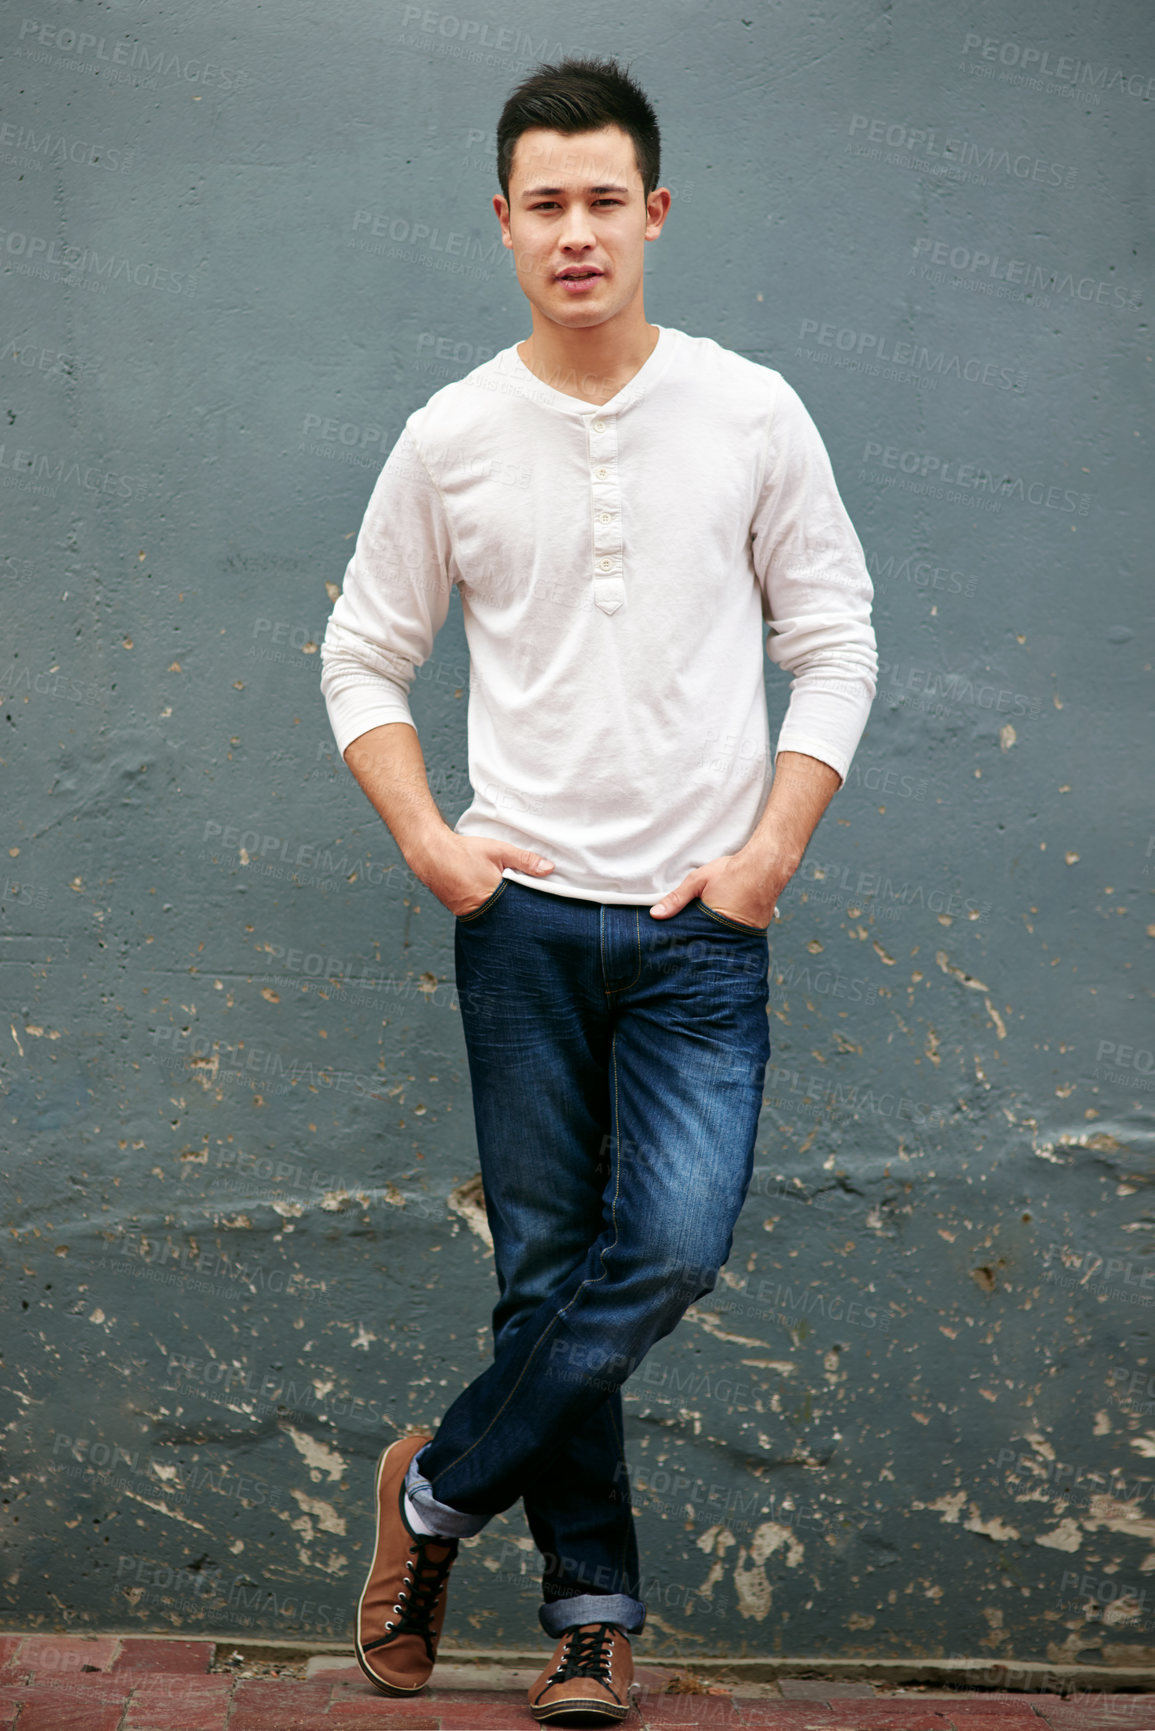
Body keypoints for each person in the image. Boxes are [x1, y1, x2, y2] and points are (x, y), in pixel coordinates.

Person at [319, 53, 877, 1727]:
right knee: (547, 1268)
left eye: (604, 202)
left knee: (674, 1247)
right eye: (544, 205)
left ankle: (435, 1490)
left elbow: (835, 639)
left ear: (655, 214)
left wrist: (773, 850)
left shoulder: (751, 409)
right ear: (504, 225)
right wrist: (433, 842)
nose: (577, 233)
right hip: (527, 920)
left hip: (705, 921)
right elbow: (362, 656)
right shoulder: (453, 438)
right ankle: (591, 1615)